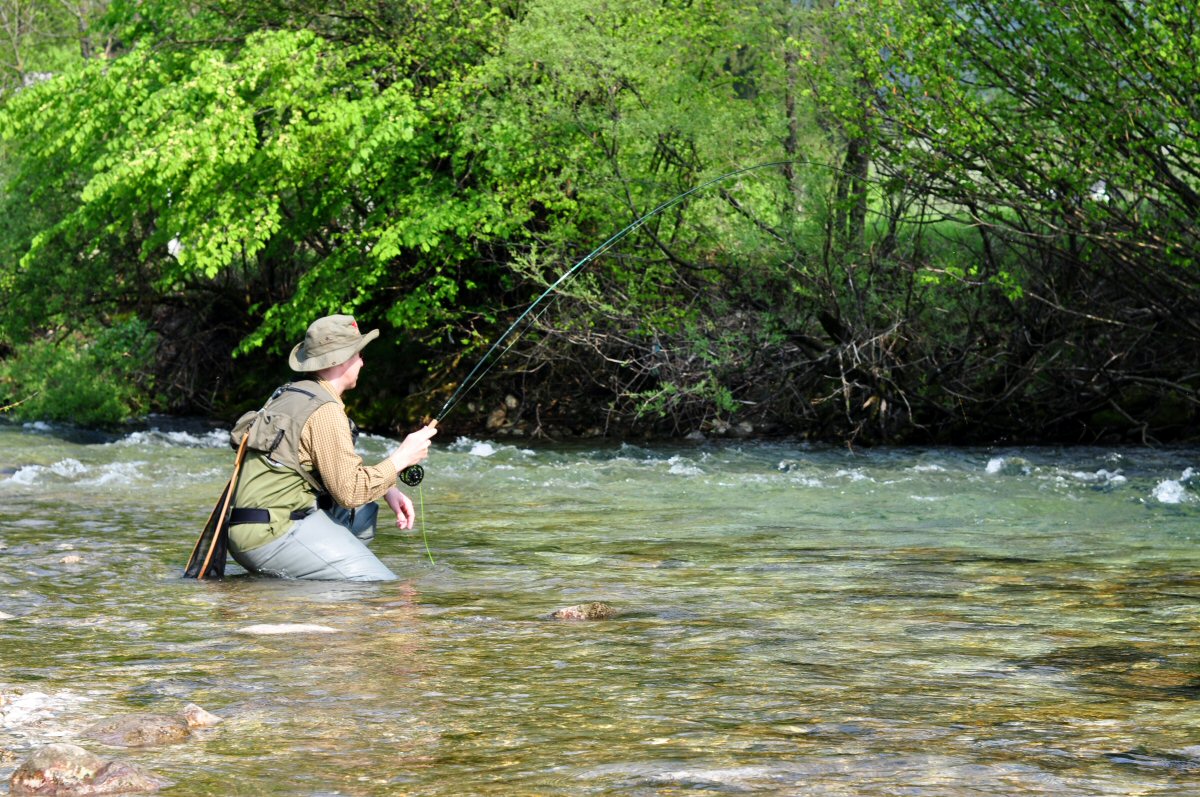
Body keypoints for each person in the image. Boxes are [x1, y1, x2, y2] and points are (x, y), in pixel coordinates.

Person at [225, 314, 437, 581]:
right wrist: (402, 458)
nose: (362, 361)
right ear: (340, 360)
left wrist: (388, 488)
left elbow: (335, 473)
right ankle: (331, 595)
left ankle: (313, 587)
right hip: (271, 535)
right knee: (378, 584)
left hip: (247, 529)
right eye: (358, 354)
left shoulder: (291, 393)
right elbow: (349, 492)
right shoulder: (325, 410)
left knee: (364, 509)